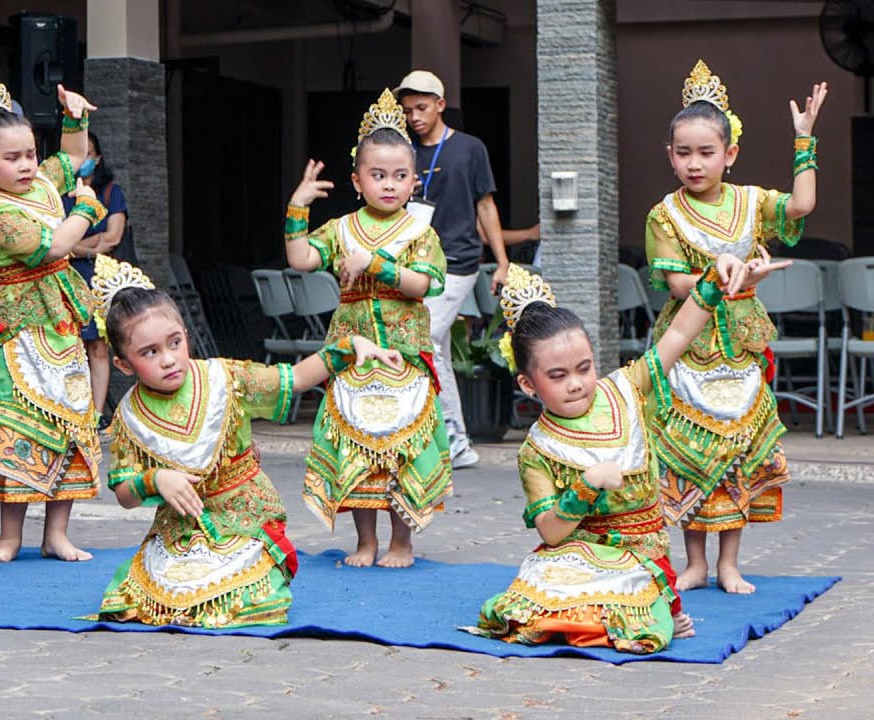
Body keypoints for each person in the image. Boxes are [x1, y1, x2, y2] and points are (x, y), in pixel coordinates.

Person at [464, 252, 787, 653]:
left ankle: (649, 611)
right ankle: (643, 617)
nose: (576, 384)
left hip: (639, 553)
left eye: (584, 368)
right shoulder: (537, 448)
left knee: (623, 606)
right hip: (576, 552)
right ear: (529, 386)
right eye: (558, 376)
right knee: (530, 608)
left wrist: (712, 285)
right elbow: (550, 530)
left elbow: (679, 336)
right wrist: (586, 487)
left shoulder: (626, 389)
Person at [92, 256, 402, 627]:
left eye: (174, 343)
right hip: (182, 528)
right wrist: (154, 480)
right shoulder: (130, 415)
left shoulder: (225, 378)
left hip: (243, 515)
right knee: (150, 597)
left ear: (185, 335)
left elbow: (294, 378)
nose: (169, 360)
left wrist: (350, 347)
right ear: (124, 364)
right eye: (149, 352)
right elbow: (125, 495)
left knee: (242, 597)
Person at [645, 61, 826, 594]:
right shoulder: (665, 214)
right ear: (670, 156)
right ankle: (695, 562)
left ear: (730, 153)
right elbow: (678, 286)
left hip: (740, 349)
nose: (695, 163)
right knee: (689, 453)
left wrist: (804, 141)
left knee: (738, 454)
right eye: (684, 153)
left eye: (706, 152)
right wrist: (722, 274)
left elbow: (802, 204)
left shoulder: (751, 203)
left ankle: (729, 563)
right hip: (688, 345)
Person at [285, 89, 452, 569]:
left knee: (400, 449)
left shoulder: (420, 233)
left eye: (400, 176)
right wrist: (298, 206)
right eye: (378, 175)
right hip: (352, 356)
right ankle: (366, 541)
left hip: (403, 358)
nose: (389, 185)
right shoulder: (339, 230)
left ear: (414, 181)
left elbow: (424, 285)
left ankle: (402, 542)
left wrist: (375, 264)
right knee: (356, 444)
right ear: (357, 180)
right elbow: (300, 259)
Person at [0, 71, 102, 564]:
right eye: (11, 157)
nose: (26, 165)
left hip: (57, 327)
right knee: (16, 425)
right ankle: (9, 537)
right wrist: (84, 208)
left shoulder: (40, 183)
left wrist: (74, 116)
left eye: (29, 155)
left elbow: (72, 157)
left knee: (67, 423)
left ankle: (56, 535)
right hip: (15, 333)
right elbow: (53, 247)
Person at [396, 70, 511, 470]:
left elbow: (486, 205)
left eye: (422, 108)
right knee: (436, 347)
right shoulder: (404, 151)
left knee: (424, 339)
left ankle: (450, 438)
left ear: (441, 105)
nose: (414, 117)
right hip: (415, 264)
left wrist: (502, 261)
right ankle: (456, 441)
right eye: (408, 110)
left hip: (458, 262)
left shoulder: (469, 148)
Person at [62, 131, 128, 429]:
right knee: (69, 345)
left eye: (89, 154)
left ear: (98, 158)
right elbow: (54, 239)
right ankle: (73, 410)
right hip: (66, 276)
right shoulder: (59, 194)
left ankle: (97, 414)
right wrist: (90, 243)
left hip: (98, 277)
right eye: (80, 154)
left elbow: (112, 237)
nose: (85, 160)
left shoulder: (111, 192)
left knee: (98, 347)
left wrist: (76, 245)